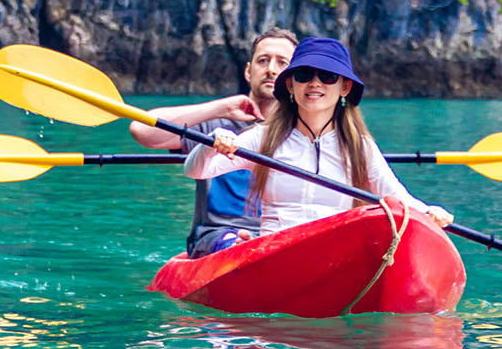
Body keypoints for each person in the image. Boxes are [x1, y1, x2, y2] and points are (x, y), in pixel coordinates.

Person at [185, 36, 452, 240]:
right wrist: (213, 143)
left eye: (327, 76)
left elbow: (398, 199)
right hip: (275, 251)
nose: (314, 83)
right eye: (303, 75)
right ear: (291, 85)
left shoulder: (360, 147)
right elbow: (197, 170)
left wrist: (429, 211)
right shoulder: (264, 139)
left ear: (344, 87)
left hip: (334, 251)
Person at [130, 28, 298, 256]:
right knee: (230, 241)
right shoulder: (213, 125)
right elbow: (142, 131)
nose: (271, 69)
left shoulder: (303, 133)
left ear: (294, 77)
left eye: (282, 63)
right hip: (218, 237)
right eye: (263, 60)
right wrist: (223, 108)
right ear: (248, 72)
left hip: (280, 236)